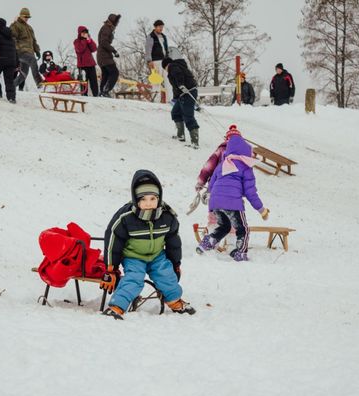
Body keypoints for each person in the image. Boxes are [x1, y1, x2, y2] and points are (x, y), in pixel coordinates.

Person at [101, 170, 196, 320]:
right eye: (143, 199)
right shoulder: (126, 217)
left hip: (157, 255)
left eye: (152, 198)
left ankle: (175, 301)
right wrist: (111, 268)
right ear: (136, 200)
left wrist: (175, 264)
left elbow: (173, 243)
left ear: (159, 198)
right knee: (134, 278)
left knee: (166, 275)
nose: (148, 203)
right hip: (133, 256)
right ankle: (117, 306)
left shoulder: (167, 217)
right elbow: (113, 240)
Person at [196, 131, 269, 261]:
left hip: (215, 203)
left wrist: (211, 206)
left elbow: (212, 186)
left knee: (224, 226)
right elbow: (250, 192)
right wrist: (261, 210)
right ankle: (241, 252)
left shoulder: (222, 165)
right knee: (243, 229)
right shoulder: (246, 167)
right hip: (233, 204)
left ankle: (208, 242)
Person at [161, 57, 200, 149]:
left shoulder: (173, 66)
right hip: (183, 94)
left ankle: (195, 142)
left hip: (188, 91)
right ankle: (181, 135)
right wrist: (175, 98)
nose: (166, 71)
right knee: (175, 112)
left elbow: (178, 75)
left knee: (188, 115)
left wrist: (181, 85)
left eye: (165, 69)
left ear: (166, 65)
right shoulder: (176, 66)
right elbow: (175, 87)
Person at [11, 8, 42, 89]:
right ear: (20, 16)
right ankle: (39, 81)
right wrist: (17, 49)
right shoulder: (16, 25)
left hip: (29, 52)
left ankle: (11, 87)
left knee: (24, 74)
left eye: (28, 17)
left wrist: (37, 51)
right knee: (33, 60)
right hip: (21, 52)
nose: (26, 18)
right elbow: (13, 38)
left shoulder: (29, 28)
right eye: (25, 17)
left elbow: (33, 41)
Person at [145, 19, 172, 102]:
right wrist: (149, 61)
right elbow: (148, 49)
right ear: (155, 27)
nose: (161, 28)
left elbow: (166, 49)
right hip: (156, 61)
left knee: (169, 81)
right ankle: (156, 101)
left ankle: (170, 100)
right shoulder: (151, 37)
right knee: (156, 82)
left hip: (165, 62)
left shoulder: (163, 36)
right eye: (159, 27)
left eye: (162, 27)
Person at [97, 13, 121, 97]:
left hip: (102, 55)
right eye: (117, 21)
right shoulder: (106, 28)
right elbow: (104, 42)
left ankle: (102, 92)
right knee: (114, 73)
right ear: (113, 21)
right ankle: (105, 90)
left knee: (106, 74)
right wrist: (114, 50)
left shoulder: (107, 28)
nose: (118, 23)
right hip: (104, 55)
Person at [74, 26, 98, 96]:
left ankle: (96, 95)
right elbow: (80, 49)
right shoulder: (76, 41)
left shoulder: (88, 41)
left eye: (86, 32)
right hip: (82, 66)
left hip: (91, 64)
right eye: (83, 32)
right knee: (84, 82)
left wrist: (89, 40)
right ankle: (84, 96)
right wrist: (84, 40)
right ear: (79, 33)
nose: (85, 34)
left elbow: (94, 48)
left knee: (94, 82)